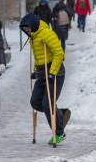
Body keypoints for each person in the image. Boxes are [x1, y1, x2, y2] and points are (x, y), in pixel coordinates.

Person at [19, 12, 71, 145]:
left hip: (56, 74)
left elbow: (59, 53)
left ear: (33, 25)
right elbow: (38, 57)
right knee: (35, 102)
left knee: (47, 104)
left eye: (28, 28)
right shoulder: (33, 37)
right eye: (25, 29)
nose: (27, 31)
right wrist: (36, 72)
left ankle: (59, 133)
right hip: (43, 74)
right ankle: (58, 114)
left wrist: (52, 72)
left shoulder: (47, 34)